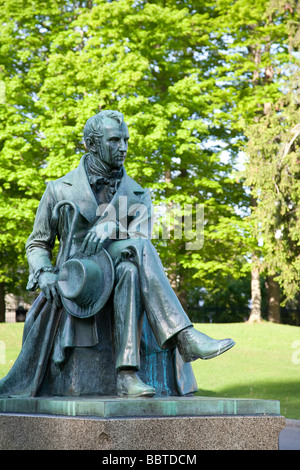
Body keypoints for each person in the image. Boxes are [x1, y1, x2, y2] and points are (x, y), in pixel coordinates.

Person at [0, 110, 235, 399]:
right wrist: (44, 272)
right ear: (91, 144)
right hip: (79, 280)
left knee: (131, 267)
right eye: (114, 140)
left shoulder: (138, 194)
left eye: (125, 140)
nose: (123, 147)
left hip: (118, 269)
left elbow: (141, 241)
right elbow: (37, 244)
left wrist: (113, 226)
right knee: (134, 263)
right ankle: (184, 336)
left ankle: (126, 376)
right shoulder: (58, 189)